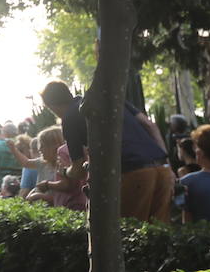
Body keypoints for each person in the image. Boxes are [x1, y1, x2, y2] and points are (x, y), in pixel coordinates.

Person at [41, 79, 171, 223]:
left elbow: (78, 170)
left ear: (51, 106)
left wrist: (64, 172)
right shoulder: (111, 99)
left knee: (130, 233)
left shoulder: (70, 117)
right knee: (159, 231)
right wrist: (166, 162)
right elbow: (150, 125)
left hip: (131, 173)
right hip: (163, 170)